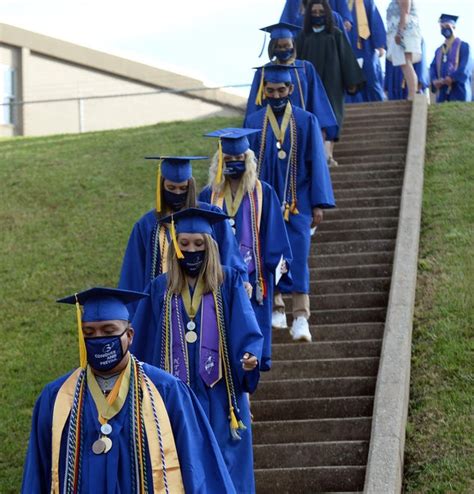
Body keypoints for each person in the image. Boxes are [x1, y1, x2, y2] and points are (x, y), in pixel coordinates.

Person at [22, 287, 235, 493]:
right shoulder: (56, 397)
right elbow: (37, 474)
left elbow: (197, 466)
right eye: (89, 333)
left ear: (129, 335)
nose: (99, 339)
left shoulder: (166, 391)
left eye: (109, 331)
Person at [131, 208, 264, 493]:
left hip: (220, 394)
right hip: (174, 398)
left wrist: (250, 357)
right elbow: (140, 343)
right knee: (182, 464)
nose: (191, 251)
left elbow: (246, 327)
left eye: (199, 244)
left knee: (227, 464)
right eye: (185, 244)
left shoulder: (226, 283)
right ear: (175, 248)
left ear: (211, 247)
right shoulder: (159, 289)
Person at [243, 64, 335, 342]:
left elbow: (317, 164)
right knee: (270, 256)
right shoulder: (253, 122)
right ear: (264, 91)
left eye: (281, 89)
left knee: (299, 257)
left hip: (299, 202)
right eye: (270, 90)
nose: (276, 94)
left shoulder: (306, 121)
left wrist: (318, 204)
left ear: (291, 90)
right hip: (265, 204)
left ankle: (301, 317)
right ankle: (277, 307)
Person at [199, 128, 293, 371]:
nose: (233, 164)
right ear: (219, 162)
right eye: (228, 161)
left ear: (248, 160)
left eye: (239, 160)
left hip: (255, 280)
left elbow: (275, 239)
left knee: (250, 349)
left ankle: (246, 400)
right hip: (217, 280)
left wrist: (276, 282)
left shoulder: (263, 193)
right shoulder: (208, 196)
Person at [118, 156, 248, 319]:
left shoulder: (210, 216)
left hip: (208, 305)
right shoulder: (146, 225)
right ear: (161, 186)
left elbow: (229, 252)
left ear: (191, 186)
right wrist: (131, 317)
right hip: (161, 309)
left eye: (183, 188)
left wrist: (241, 280)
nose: (177, 193)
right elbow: (133, 273)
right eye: (171, 188)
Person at [295, 0, 365, 165]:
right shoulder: (303, 36)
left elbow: (346, 58)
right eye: (314, 12)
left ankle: (328, 154)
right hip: (311, 84)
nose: (317, 15)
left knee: (332, 116)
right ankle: (318, 155)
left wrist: (351, 81)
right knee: (314, 116)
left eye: (321, 12)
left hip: (333, 82)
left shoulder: (336, 33)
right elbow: (296, 60)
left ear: (327, 13)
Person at [246, 22, 338, 141]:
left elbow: (316, 98)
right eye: (278, 46)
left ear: (293, 45)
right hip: (272, 129)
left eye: (286, 45)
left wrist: (321, 128)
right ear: (272, 48)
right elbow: (255, 104)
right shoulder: (263, 72)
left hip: (302, 126)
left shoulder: (306, 68)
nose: (283, 49)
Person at [345, 0, 387, 103]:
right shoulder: (338, 2)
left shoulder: (366, 2)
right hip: (346, 48)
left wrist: (380, 45)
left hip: (366, 47)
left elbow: (375, 20)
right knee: (350, 82)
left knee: (372, 79)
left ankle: (378, 107)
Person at [430, 14, 473, 103]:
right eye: (442, 27)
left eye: (447, 26)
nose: (444, 29)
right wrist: (434, 80)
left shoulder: (464, 46)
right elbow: (433, 67)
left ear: (453, 26)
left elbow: (465, 67)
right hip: (442, 91)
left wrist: (452, 78)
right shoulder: (439, 51)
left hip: (459, 90)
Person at [386, 0, 422, 100]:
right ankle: (412, 93)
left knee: (406, 62)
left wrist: (400, 32)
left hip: (405, 34)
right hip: (398, 33)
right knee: (404, 64)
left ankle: (412, 94)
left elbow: (405, 12)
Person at [280, 0, 351, 36]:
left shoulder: (335, 17)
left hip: (328, 27)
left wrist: (346, 19)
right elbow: (288, 17)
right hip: (304, 29)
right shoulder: (300, 20)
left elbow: (342, 7)